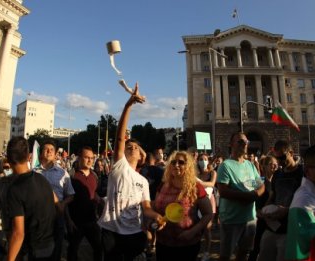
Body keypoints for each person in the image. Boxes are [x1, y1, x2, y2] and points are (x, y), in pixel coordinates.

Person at [98, 83, 164, 261]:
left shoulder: (142, 181)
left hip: (135, 232)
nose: (131, 148)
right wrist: (129, 105)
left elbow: (147, 209)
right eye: (129, 146)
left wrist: (157, 216)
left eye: (135, 147)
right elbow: (120, 137)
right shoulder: (119, 166)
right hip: (111, 231)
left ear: (142, 156)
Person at [154, 151, 212, 261]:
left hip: (187, 244)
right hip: (163, 242)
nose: (176, 165)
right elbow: (155, 207)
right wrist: (151, 220)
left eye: (181, 162)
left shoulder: (196, 187)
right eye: (173, 162)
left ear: (188, 166)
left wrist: (193, 231)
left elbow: (208, 213)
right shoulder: (162, 185)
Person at [6, 137, 57, 260]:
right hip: (50, 245)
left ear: (9, 160)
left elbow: (18, 233)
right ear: (28, 156)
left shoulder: (15, 189)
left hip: (33, 250)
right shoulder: (42, 179)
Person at [216, 132, 264, 261]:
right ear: (231, 145)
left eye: (246, 142)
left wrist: (255, 194)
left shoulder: (250, 165)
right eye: (240, 142)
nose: (245, 144)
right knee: (226, 255)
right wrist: (247, 197)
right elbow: (223, 191)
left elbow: (260, 185)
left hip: (250, 219)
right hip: (232, 219)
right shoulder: (225, 166)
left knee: (245, 253)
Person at [258, 140, 304, 261]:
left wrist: (287, 210)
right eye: (277, 159)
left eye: (283, 157)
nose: (280, 162)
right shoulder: (278, 174)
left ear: (291, 153)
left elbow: (306, 201)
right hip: (272, 227)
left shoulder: (303, 173)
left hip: (291, 229)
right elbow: (273, 195)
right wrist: (263, 210)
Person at [33, 140, 74, 261]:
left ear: (56, 154)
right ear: (41, 154)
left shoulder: (63, 173)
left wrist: (62, 204)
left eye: (52, 149)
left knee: (56, 249)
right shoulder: (34, 173)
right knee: (37, 252)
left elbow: (71, 195)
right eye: (46, 149)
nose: (49, 151)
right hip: (38, 217)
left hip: (57, 215)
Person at [67, 146, 102, 261]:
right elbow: (66, 200)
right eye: (86, 157)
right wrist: (69, 220)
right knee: (72, 251)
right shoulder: (71, 176)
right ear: (78, 158)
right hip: (76, 222)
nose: (90, 160)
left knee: (99, 248)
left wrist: (101, 201)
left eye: (92, 158)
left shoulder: (94, 176)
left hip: (92, 221)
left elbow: (94, 193)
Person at [248, 156, 278, 261]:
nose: (274, 165)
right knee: (256, 247)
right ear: (264, 167)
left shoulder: (278, 181)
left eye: (275, 163)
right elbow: (247, 191)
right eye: (270, 163)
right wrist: (256, 210)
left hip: (273, 220)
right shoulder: (259, 180)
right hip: (260, 219)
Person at [196, 153, 217, 261]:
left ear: (208, 161)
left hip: (209, 201)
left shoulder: (212, 172)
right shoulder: (196, 173)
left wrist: (198, 182)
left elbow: (212, 184)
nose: (203, 161)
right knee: (197, 228)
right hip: (197, 203)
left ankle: (207, 252)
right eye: (200, 159)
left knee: (207, 228)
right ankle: (197, 249)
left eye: (205, 159)